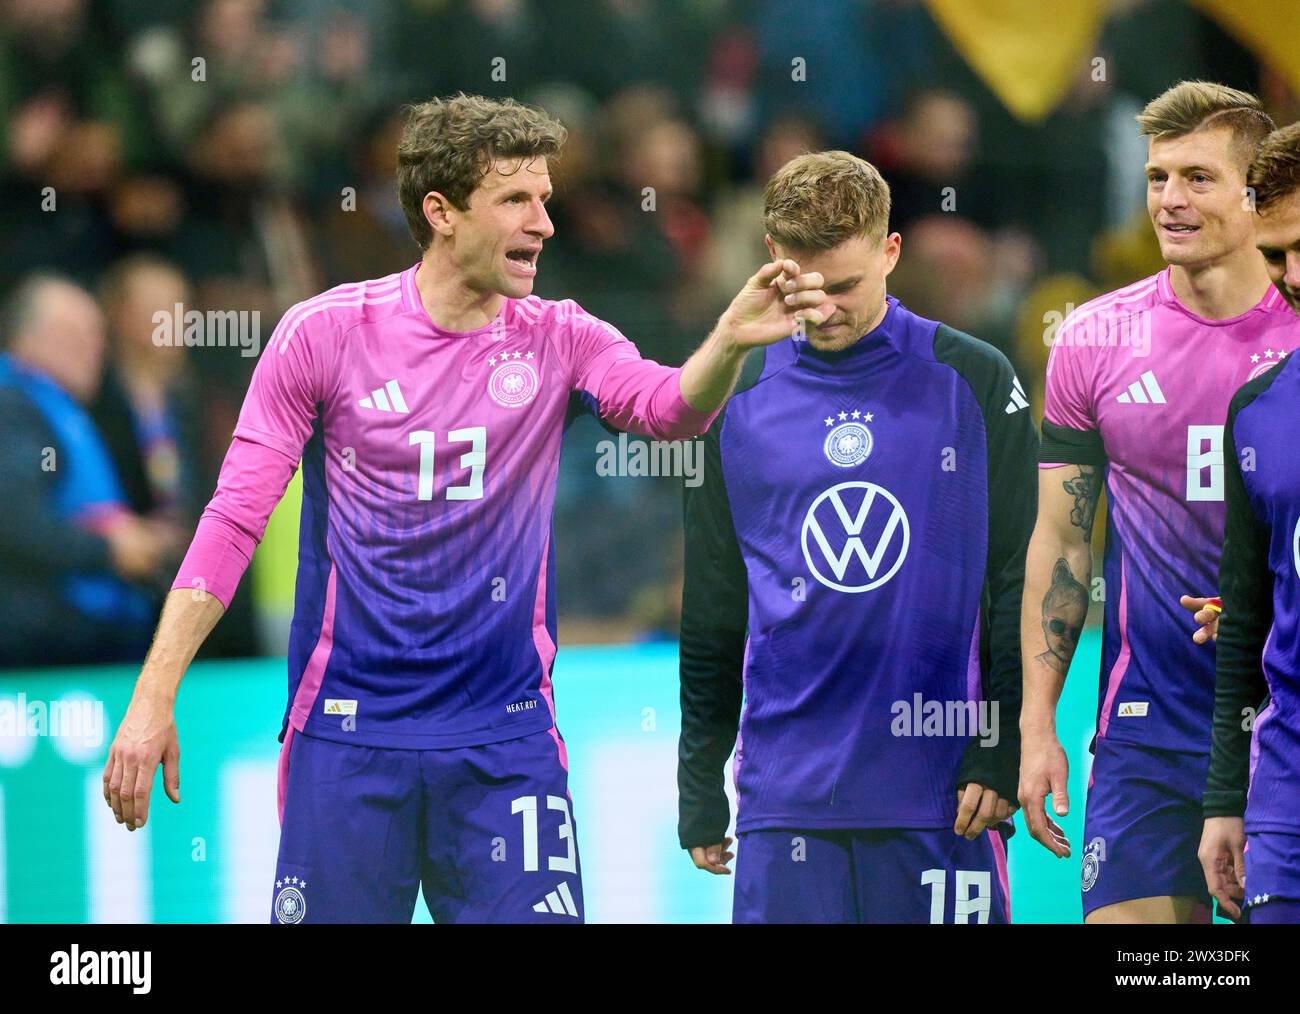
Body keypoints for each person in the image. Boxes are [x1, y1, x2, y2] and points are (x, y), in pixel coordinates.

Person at [101, 93, 832, 924]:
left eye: (546, 198)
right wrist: (154, 695)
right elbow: (235, 517)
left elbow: (668, 410)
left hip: (506, 739)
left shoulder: (560, 335)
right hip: (347, 737)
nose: (545, 223)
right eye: (517, 199)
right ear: (441, 213)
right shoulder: (323, 335)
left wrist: (730, 342)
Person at [678, 151, 1037, 923]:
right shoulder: (730, 393)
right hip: (786, 800)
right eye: (808, 288)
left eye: (845, 286)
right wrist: (698, 775)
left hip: (941, 794)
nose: (828, 308)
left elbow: (1017, 576)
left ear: (890, 252)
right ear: (774, 261)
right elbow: (715, 597)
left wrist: (1000, 744)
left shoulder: (973, 381)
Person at [1018, 81, 1290, 924]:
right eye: (1158, 176)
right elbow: (1062, 541)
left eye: (1199, 178)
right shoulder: (1093, 341)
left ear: (1259, 196)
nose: (1170, 200)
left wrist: (1261, 605)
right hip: (1147, 726)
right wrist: (1037, 723)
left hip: (1283, 727)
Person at [1199, 122, 1300, 924]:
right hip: (1287, 804)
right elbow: (1246, 624)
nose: (1292, 276)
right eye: (1275, 256)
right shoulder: (1257, 414)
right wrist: (1226, 800)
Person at [0, 274, 179, 666]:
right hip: (44, 657)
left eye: (98, 334)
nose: (96, 348)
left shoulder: (51, 404)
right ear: (26, 338)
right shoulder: (12, 406)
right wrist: (111, 549)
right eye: (75, 333)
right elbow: (12, 520)